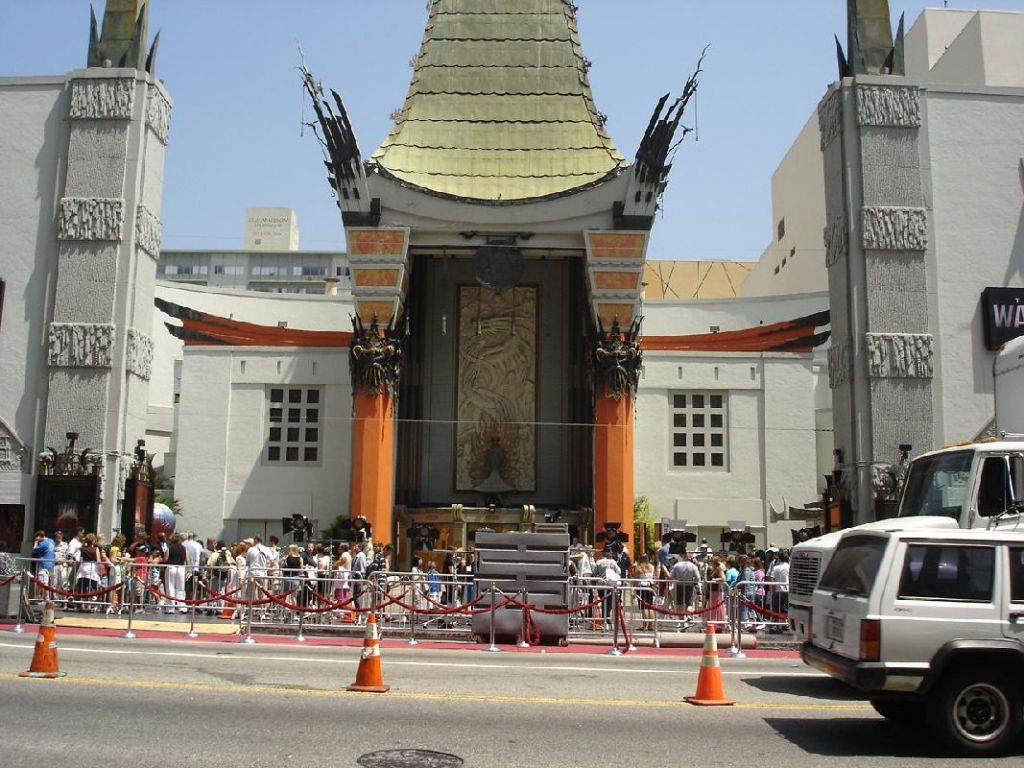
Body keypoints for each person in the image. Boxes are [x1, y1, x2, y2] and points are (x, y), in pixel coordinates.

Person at [592, 548, 621, 627]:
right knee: (609, 602)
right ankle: (607, 617)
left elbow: (594, 573)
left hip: (601, 585)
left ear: (603, 554)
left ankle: (604, 618)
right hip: (610, 584)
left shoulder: (598, 562)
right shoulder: (613, 562)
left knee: (603, 601)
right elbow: (619, 571)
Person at [162, 532, 188, 613]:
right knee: (181, 588)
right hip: (181, 568)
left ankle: (170, 608)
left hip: (171, 567)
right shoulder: (183, 548)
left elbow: (166, 559)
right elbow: (187, 559)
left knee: (170, 587)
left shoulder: (169, 547)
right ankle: (182, 607)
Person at [31, 530, 56, 599]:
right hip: (51, 565)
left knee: (43, 583)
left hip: (44, 565)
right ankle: (42, 598)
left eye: (37, 538)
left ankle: (41, 598)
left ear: (39, 536)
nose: (37, 540)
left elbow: (34, 550)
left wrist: (36, 542)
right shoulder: (51, 541)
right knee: (44, 583)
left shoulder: (43, 544)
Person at [635, 554, 656, 630]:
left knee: (644, 607)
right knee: (650, 606)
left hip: (642, 587)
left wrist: (634, 589)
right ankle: (650, 625)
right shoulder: (652, 567)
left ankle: (645, 626)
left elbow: (636, 578)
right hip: (650, 587)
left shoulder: (639, 567)